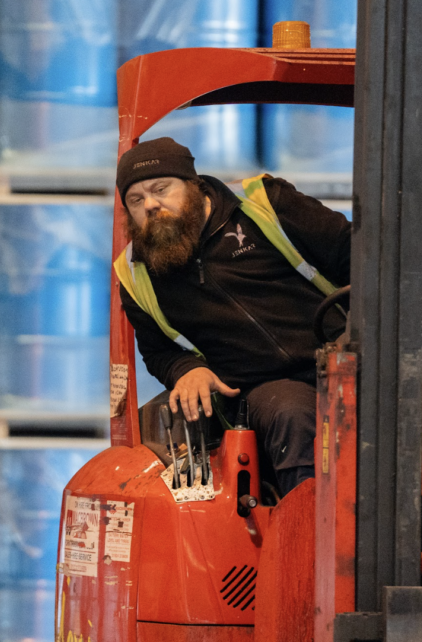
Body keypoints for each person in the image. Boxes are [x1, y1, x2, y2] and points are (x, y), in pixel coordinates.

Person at [114, 137, 350, 494]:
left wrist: (359, 334)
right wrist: (187, 370)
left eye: (161, 189)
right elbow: (159, 351)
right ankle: (308, 523)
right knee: (292, 415)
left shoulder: (264, 205)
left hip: (343, 355)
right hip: (262, 388)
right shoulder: (135, 275)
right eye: (135, 200)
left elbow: (357, 256)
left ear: (193, 186)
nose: (150, 204)